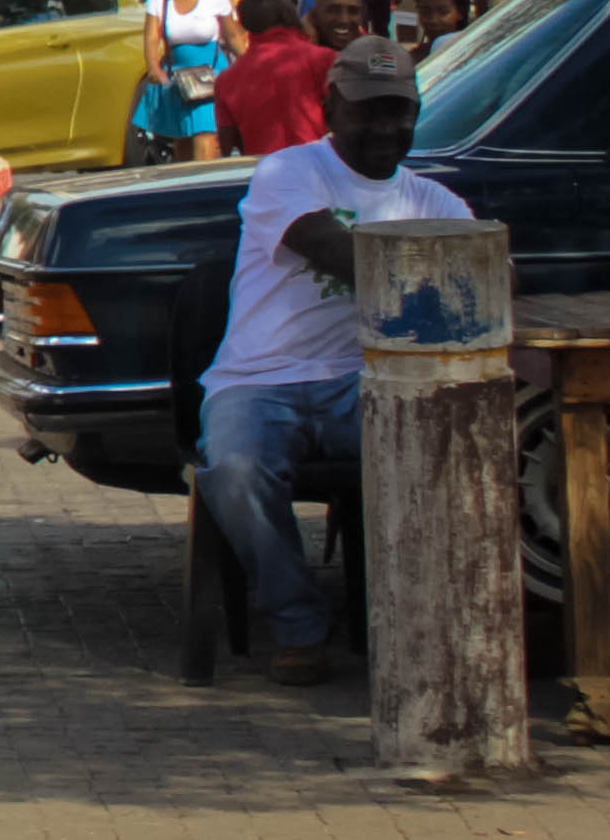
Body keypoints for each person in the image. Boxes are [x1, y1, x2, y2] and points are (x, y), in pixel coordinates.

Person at [194, 39, 459, 683]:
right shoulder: (288, 171)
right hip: (259, 379)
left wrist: (474, 273)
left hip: (364, 381)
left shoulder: (433, 200)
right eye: (368, 111)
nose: (385, 128)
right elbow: (334, 250)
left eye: (399, 112)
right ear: (330, 104)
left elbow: (490, 276)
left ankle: (421, 620)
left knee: (449, 449)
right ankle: (298, 625)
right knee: (234, 470)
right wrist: (441, 274)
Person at [142, 0, 237, 164]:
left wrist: (248, 62)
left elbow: (233, 35)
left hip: (210, 75)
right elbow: (151, 37)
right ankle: (184, 181)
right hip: (177, 76)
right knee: (182, 140)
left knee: (205, 132)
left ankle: (204, 180)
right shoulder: (159, 1)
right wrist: (153, 67)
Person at [212, 0, 332, 155]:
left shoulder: (226, 80)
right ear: (290, 14)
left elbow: (227, 145)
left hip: (262, 167)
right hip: (319, 164)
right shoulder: (323, 59)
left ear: (244, 22)